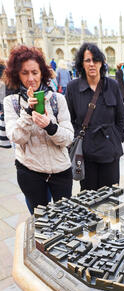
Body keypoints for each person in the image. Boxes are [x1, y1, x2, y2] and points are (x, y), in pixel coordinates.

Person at [3, 45, 74, 214]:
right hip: (30, 171)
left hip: (60, 171)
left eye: (34, 72)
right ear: (17, 75)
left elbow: (68, 138)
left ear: (42, 72)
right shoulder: (11, 102)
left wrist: (50, 127)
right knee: (40, 224)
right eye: (24, 73)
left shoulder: (58, 100)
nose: (31, 78)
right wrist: (28, 112)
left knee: (65, 220)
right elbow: (16, 137)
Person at [66, 42, 124, 191]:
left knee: (110, 196)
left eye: (95, 60)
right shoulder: (73, 88)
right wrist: (79, 140)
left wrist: (116, 137)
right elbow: (68, 119)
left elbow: (121, 117)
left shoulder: (112, 85)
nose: (92, 64)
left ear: (101, 63)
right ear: (82, 64)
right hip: (86, 154)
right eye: (87, 60)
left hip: (110, 151)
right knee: (88, 197)